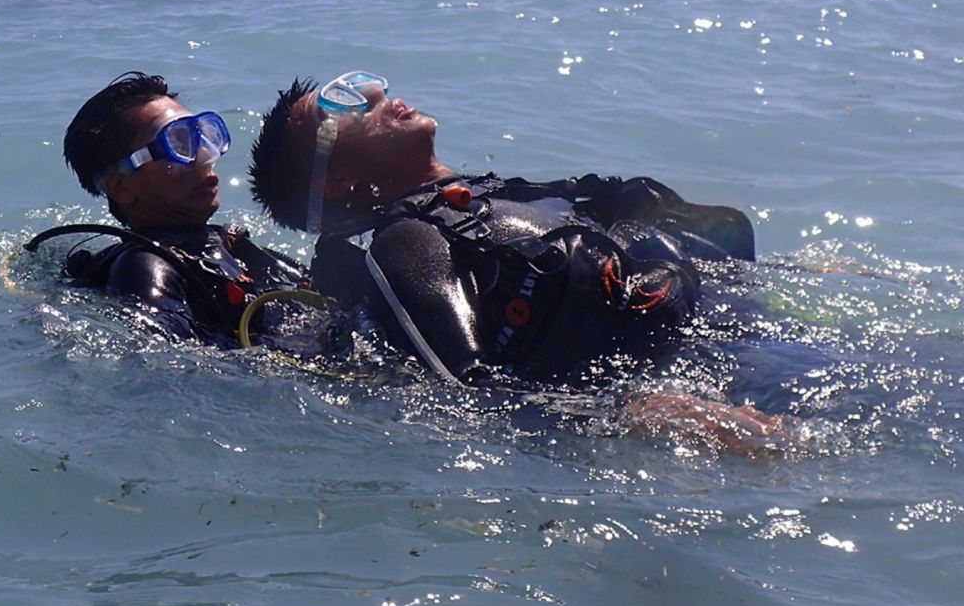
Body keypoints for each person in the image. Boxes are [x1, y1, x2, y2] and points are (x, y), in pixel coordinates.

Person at [248, 72, 791, 450]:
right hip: (719, 388)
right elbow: (469, 391)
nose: (374, 92)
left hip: (740, 338)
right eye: (341, 107)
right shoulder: (407, 243)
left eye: (359, 86)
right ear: (338, 179)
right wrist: (639, 411)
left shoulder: (493, 196)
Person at [29, 71, 310, 347]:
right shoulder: (144, 267)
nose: (204, 155)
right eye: (177, 143)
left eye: (202, 135)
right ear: (121, 187)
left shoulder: (226, 243)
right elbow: (172, 359)